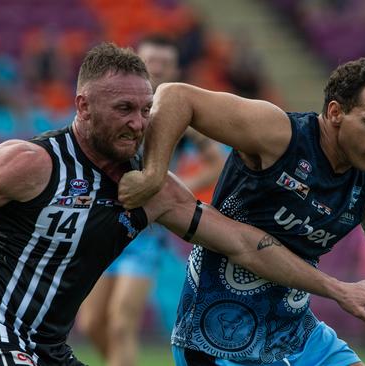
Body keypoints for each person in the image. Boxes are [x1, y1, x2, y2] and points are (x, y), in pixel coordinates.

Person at [0, 44, 365, 366]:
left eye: (144, 109)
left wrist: (333, 287)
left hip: (48, 350)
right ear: (82, 106)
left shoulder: (153, 193)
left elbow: (247, 245)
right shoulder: (29, 164)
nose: (139, 123)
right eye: (124, 110)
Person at [118, 57, 365, 366]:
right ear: (335, 113)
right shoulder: (278, 135)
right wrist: (153, 174)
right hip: (218, 337)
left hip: (297, 334)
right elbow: (176, 96)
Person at [76, 35, 227, 366]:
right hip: (103, 221)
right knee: (91, 323)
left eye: (164, 64)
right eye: (150, 63)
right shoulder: (115, 110)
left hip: (144, 232)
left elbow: (216, 162)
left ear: (176, 69)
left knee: (120, 325)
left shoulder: (179, 114)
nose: (157, 70)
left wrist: (166, 185)